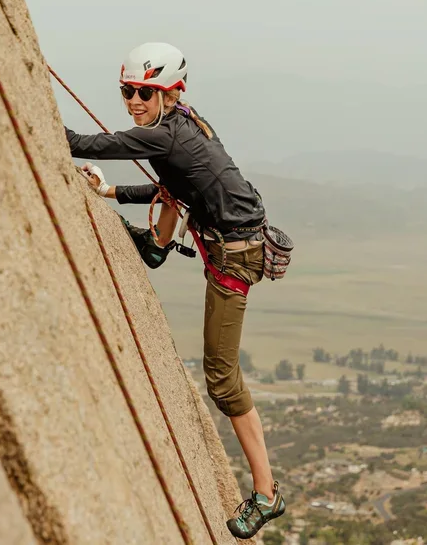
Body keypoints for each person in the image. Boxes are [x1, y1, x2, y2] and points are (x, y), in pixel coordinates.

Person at [63, 42, 286, 539]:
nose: (134, 101)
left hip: (236, 254)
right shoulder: (183, 123)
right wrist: (111, 193)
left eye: (145, 92)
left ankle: (268, 495)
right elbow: (177, 190)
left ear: (172, 92)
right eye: (127, 92)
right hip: (229, 235)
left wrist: (49, 131)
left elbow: (90, 144)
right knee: (169, 186)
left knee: (223, 381)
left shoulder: (170, 136)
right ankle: (158, 246)